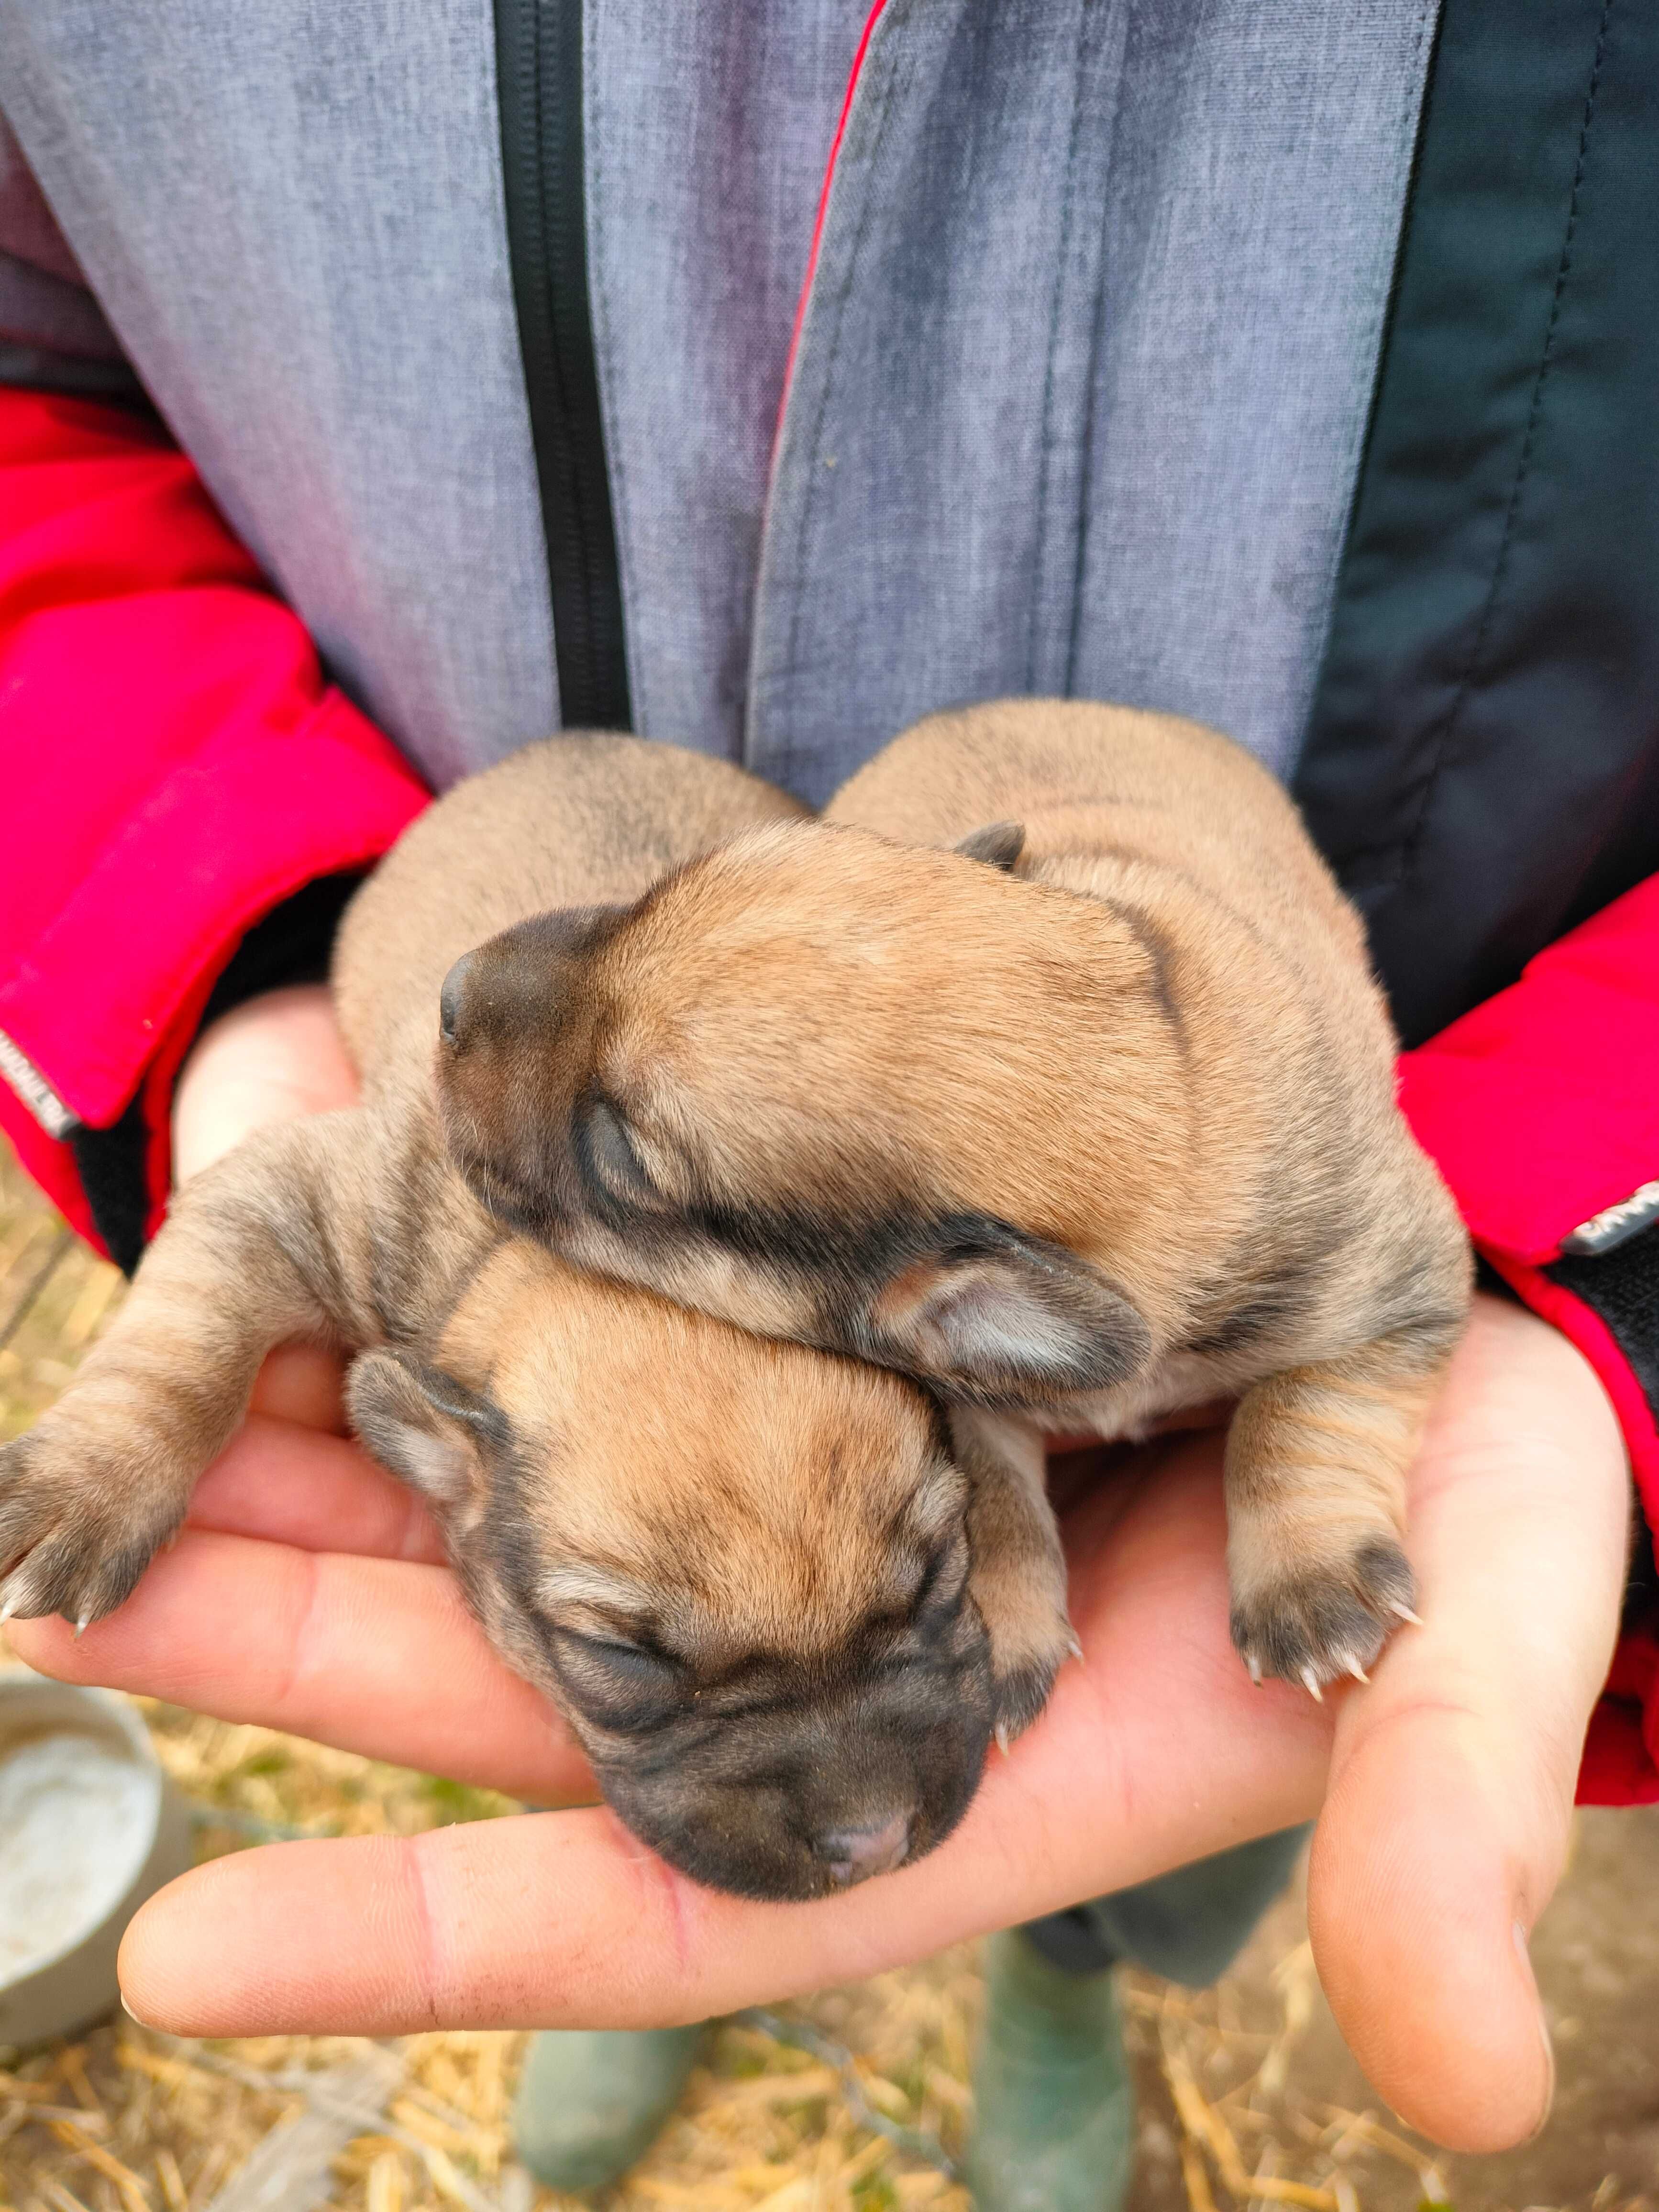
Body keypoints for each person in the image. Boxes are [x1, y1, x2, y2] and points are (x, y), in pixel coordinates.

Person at [0, 2, 1654, 2203]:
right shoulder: (518, 1237)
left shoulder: (1110, 1242)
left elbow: (1293, 1323)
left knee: (1152, 1823)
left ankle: (1089, 1963)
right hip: (482, 813)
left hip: (1391, 999)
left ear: (937, 1325)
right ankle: (737, 1943)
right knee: (653, 1737)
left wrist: (1595, 1242)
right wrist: (220, 926)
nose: (854, 1795)